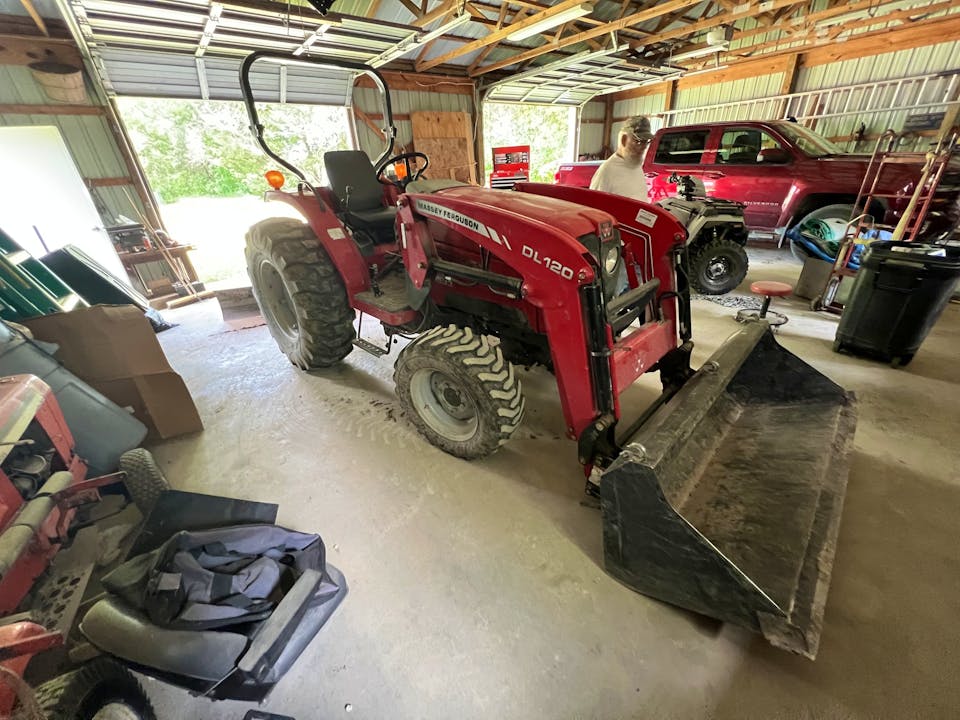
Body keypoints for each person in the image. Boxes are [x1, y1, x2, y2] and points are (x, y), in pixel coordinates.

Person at [589, 116, 654, 201]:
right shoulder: (606, 172)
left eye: (646, 142)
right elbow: (594, 209)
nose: (644, 147)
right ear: (623, 140)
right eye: (639, 141)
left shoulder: (636, 166)